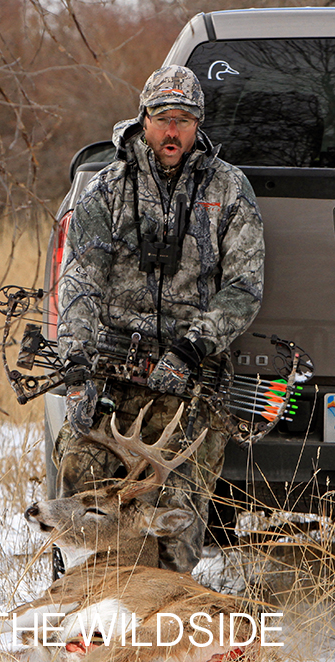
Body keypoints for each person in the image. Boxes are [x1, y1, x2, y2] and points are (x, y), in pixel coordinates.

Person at [54, 65, 265, 575]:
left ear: (199, 125)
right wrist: (78, 370)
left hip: (191, 382)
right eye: (164, 118)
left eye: (185, 119)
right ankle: (90, 608)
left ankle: (158, 613)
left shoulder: (229, 188)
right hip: (113, 374)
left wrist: (191, 349)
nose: (173, 132)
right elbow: (80, 282)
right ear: (143, 119)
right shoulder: (107, 189)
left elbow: (244, 287)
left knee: (175, 528)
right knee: (82, 495)